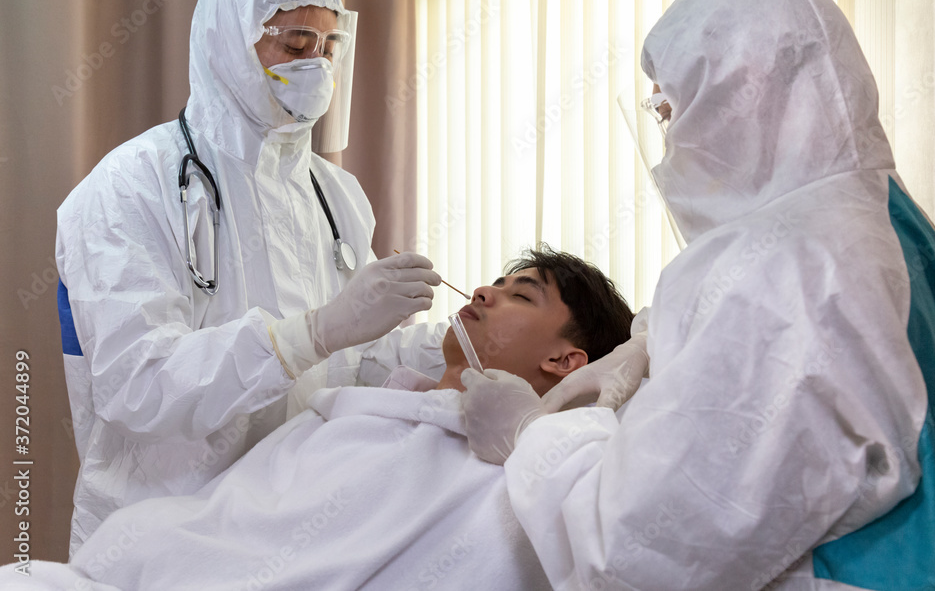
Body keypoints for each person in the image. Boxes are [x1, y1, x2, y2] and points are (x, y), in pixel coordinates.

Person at [461, 0, 935, 589]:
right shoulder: (879, 216)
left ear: (740, 93)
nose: (669, 138)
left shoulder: (787, 269)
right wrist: (652, 341)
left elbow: (637, 553)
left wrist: (532, 437)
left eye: (670, 108)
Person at [55, 0, 447, 555]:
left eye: (327, 47)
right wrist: (309, 333)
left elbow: (357, 363)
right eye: (294, 44)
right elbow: (139, 385)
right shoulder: (133, 183)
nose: (314, 63)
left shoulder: (335, 194)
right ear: (228, 39)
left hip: (296, 528)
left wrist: (454, 347)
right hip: (161, 537)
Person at [9, 247, 634, 590]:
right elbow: (233, 521)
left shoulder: (537, 466)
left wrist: (534, 435)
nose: (482, 292)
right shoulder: (361, 408)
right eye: (494, 281)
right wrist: (320, 332)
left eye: (520, 294)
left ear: (564, 359)